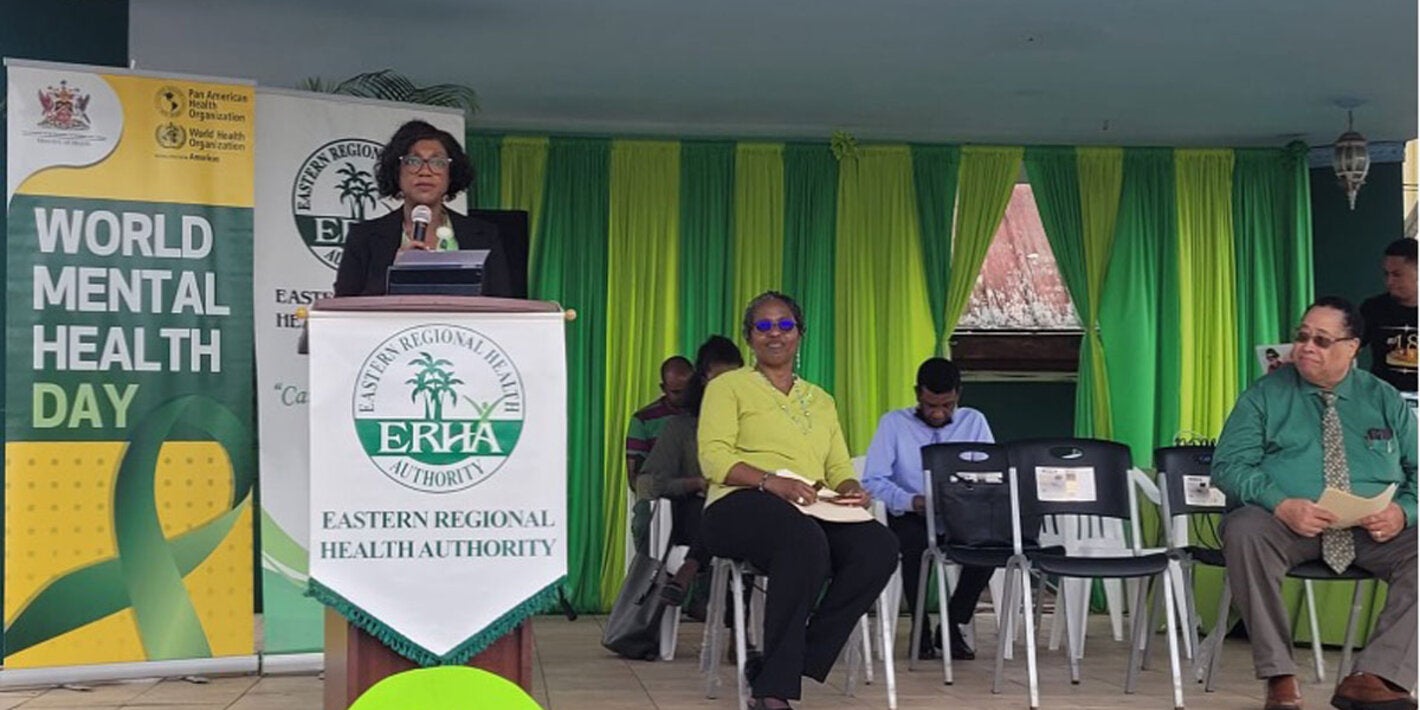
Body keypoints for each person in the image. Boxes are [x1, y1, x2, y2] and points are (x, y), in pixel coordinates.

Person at [1213, 296, 1417, 710]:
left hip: (1371, 530)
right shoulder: (1264, 395)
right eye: (1302, 336)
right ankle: (1279, 676)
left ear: (1352, 347)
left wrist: (1403, 512)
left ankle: (1376, 677)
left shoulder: (1383, 398)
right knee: (1244, 529)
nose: (1306, 347)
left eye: (1322, 340)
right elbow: (1229, 466)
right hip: (1290, 526)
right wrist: (1281, 504)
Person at [698, 291, 899, 710]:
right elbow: (714, 458)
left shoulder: (821, 400)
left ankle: (793, 660)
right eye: (764, 326)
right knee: (802, 538)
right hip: (739, 503)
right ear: (750, 337)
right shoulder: (727, 387)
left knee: (878, 546)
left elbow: (839, 467)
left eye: (785, 325)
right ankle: (774, 692)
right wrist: (771, 482)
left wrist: (849, 490)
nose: (775, 334)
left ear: (800, 334)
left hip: (809, 505)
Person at [861, 357, 994, 661]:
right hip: (911, 514)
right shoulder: (893, 424)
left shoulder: (974, 422)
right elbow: (873, 480)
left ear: (958, 395)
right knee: (913, 545)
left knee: (990, 548)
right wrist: (911, 501)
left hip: (961, 516)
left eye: (946, 405)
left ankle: (951, 624)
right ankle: (919, 628)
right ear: (917, 393)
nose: (937, 413)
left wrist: (965, 497)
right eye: (930, 404)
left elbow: (989, 474)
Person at [333, 120, 514, 297]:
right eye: (413, 161)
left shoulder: (485, 234)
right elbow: (343, 308)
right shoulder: (364, 236)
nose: (425, 171)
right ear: (397, 172)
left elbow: (503, 303)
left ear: (450, 174)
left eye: (438, 162)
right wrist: (397, 274)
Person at [639, 335, 744, 617]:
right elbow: (648, 482)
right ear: (702, 382)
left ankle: (691, 567)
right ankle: (739, 629)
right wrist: (694, 483)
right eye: (718, 382)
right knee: (709, 509)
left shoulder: (755, 424)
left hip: (746, 513)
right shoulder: (682, 427)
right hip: (695, 515)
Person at [625, 356, 694, 553]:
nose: (684, 397)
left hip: (697, 494)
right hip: (659, 496)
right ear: (663, 388)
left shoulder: (705, 415)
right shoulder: (644, 420)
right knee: (644, 523)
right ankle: (648, 578)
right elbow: (635, 479)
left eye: (689, 389)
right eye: (677, 392)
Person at [1360, 238, 1418, 393]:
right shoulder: (1373, 308)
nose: (1389, 281)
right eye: (1386, 274)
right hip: (1382, 399)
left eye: (1397, 274)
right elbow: (1348, 347)